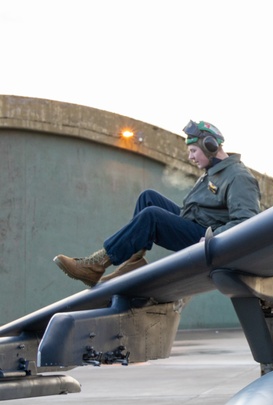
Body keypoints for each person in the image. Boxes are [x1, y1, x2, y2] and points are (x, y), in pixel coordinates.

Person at [54, 120, 261, 287]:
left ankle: (96, 265)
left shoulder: (238, 177)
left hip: (206, 241)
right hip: (195, 225)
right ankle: (133, 263)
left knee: (152, 215)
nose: (190, 157)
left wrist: (213, 237)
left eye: (193, 151)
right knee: (148, 198)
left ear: (210, 146)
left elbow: (246, 222)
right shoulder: (212, 174)